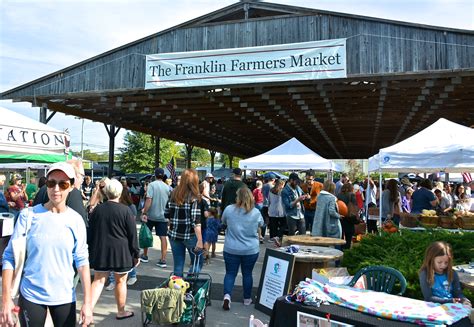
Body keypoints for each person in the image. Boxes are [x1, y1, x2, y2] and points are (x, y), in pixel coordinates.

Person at [1, 162, 92, 326]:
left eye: (63, 184)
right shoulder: (28, 216)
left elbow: (82, 261)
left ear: (71, 186)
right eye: (51, 183)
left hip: (64, 296)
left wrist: (87, 303)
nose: (56, 189)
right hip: (31, 295)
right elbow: (9, 257)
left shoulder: (76, 220)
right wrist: (6, 300)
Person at [89, 179, 140, 321]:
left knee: (98, 281)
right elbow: (132, 235)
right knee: (121, 281)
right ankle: (121, 311)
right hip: (121, 252)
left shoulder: (97, 210)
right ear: (120, 192)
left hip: (101, 250)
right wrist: (136, 253)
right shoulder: (126, 210)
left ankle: (88, 310)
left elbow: (91, 231)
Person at [221, 187, 263, 310]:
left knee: (230, 273)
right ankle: (247, 298)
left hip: (231, 248)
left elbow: (223, 222)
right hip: (250, 249)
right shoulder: (255, 212)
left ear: (237, 197)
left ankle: (227, 296)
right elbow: (261, 225)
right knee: (247, 274)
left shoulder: (229, 209)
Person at [165, 168, 204, 277]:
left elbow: (166, 214)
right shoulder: (194, 197)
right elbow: (196, 221)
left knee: (178, 265)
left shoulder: (173, 193)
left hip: (174, 235)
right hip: (190, 236)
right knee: (197, 262)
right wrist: (200, 240)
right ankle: (190, 285)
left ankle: (178, 290)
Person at [419, 241, 471, 307]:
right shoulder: (425, 273)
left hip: (453, 307)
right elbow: (428, 298)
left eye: (446, 262)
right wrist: (450, 301)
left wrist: (464, 300)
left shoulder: (452, 273)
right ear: (430, 260)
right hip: (434, 308)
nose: (443, 265)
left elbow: (458, 293)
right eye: (439, 262)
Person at [106, 187, 139, 290]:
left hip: (125, 236)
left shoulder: (130, 207)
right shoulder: (117, 206)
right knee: (114, 261)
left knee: (130, 258)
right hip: (117, 236)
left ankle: (132, 275)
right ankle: (112, 281)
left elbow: (131, 223)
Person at [141, 168, 171, 267]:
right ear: (163, 176)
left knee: (146, 235)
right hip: (163, 216)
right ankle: (163, 259)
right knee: (163, 237)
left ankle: (145, 255)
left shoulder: (151, 185)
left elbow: (149, 200)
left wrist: (144, 212)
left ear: (155, 175)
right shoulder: (168, 187)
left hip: (151, 215)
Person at [337, 183, 357, 249]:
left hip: (340, 218)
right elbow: (355, 207)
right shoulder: (352, 195)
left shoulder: (338, 195)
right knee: (348, 238)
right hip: (349, 219)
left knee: (341, 237)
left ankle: (340, 251)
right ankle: (347, 253)